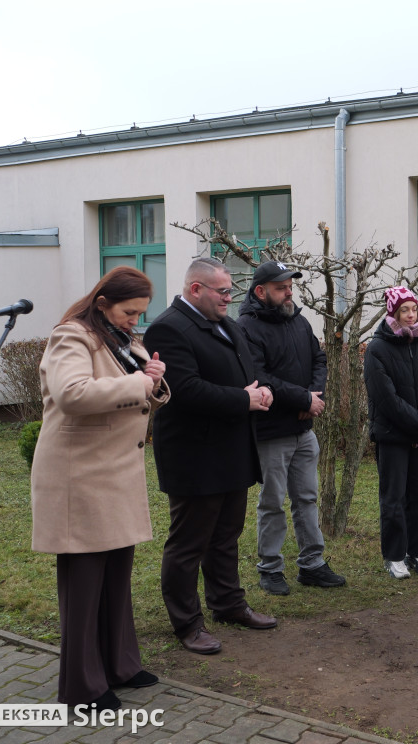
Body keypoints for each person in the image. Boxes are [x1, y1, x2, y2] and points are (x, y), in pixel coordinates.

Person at [30, 267, 169, 711]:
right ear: (104, 302)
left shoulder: (121, 338)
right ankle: (81, 688)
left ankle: (120, 665)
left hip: (114, 473)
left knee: (116, 577)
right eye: (130, 312)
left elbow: (136, 390)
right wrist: (139, 382)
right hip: (80, 477)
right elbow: (72, 394)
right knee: (85, 584)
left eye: (141, 314)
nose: (136, 320)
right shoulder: (72, 337)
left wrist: (154, 379)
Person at [143, 257, 278, 655]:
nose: (229, 296)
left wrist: (261, 390)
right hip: (195, 456)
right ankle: (187, 623)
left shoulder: (225, 323)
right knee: (189, 544)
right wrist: (244, 398)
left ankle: (228, 604)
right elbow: (184, 390)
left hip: (232, 451)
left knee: (225, 538)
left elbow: (246, 371)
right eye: (222, 291)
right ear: (195, 289)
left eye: (230, 289)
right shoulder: (169, 328)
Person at [237, 260, 346, 595]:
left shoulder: (297, 321)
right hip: (271, 432)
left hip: (303, 429)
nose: (289, 293)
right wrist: (302, 400)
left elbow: (319, 359)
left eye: (290, 286)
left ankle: (312, 565)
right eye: (282, 287)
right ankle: (270, 568)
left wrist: (314, 397)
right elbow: (259, 377)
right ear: (260, 291)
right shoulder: (246, 328)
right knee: (272, 501)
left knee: (307, 498)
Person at [363, 286, 418, 579]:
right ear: (393, 313)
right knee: (394, 497)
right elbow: (385, 399)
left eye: (414, 308)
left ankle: (417, 552)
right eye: (404, 311)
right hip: (394, 436)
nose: (411, 315)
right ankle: (395, 556)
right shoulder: (377, 349)